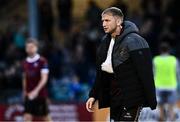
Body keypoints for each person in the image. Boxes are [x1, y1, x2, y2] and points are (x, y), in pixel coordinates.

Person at [86, 7, 157, 121]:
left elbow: (146, 72)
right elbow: (101, 72)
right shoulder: (105, 42)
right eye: (103, 21)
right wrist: (93, 95)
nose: (104, 24)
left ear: (118, 21)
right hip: (114, 97)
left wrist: (151, 99)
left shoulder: (135, 41)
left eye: (107, 20)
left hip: (131, 98)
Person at [22, 38, 51, 121]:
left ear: (36, 48)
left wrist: (36, 91)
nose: (29, 49)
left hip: (40, 95)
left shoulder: (42, 61)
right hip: (29, 95)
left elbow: (44, 79)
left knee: (46, 118)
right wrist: (24, 91)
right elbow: (24, 77)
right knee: (27, 117)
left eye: (31, 47)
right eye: (27, 47)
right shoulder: (24, 62)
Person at [153, 42, 179, 121]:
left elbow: (153, 73)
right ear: (169, 50)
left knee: (160, 107)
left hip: (159, 86)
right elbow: (177, 73)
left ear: (160, 50)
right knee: (171, 108)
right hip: (171, 86)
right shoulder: (174, 59)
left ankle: (162, 119)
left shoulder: (156, 60)